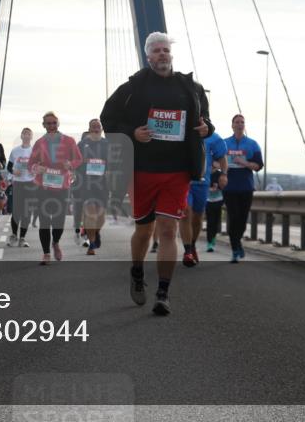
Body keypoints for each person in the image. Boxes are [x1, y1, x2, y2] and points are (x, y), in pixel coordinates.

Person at [100, 32, 212, 316]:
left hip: (177, 171)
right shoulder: (133, 88)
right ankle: (137, 272)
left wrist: (206, 129)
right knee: (143, 230)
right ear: (148, 56)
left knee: (168, 229)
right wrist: (132, 132)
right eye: (157, 51)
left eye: (166, 50)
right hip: (141, 170)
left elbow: (206, 122)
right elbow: (107, 119)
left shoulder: (191, 88)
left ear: (171, 55)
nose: (163, 54)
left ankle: (163, 292)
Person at [26, 111, 83, 265]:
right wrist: (37, 167)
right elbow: (30, 163)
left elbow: (79, 159)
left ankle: (55, 242)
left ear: (58, 124)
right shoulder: (39, 143)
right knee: (44, 220)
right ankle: (46, 253)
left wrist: (70, 164)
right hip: (43, 186)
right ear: (43, 125)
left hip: (62, 186)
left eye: (54, 123)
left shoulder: (69, 141)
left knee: (59, 220)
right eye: (48, 123)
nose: (51, 126)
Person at [222, 114, 264, 264]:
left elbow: (258, 166)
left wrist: (244, 163)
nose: (240, 124)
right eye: (237, 122)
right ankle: (235, 249)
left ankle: (237, 242)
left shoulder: (252, 144)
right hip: (229, 186)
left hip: (246, 187)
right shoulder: (225, 143)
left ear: (244, 126)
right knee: (233, 217)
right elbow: (215, 161)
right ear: (232, 125)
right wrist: (220, 168)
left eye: (242, 122)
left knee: (242, 219)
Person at [186, 130, 228, 260]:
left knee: (197, 218)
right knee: (186, 213)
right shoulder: (183, 131)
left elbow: (222, 157)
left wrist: (224, 174)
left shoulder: (213, 137)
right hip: (184, 182)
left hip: (202, 183)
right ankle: (187, 250)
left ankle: (192, 244)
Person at [78, 119, 110, 256]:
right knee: (91, 212)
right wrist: (82, 162)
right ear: (89, 128)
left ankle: (95, 232)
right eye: (93, 126)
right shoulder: (82, 144)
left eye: (98, 126)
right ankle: (91, 244)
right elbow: (75, 161)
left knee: (101, 217)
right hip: (87, 183)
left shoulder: (107, 144)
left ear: (101, 129)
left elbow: (114, 162)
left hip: (103, 184)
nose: (96, 128)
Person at [6, 128, 34, 247]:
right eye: (24, 134)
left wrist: (35, 170)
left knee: (27, 212)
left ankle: (22, 238)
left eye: (29, 134)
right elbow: (9, 167)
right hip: (18, 183)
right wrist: (13, 171)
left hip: (30, 183)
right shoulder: (15, 151)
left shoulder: (35, 151)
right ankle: (13, 235)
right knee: (16, 211)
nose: (26, 136)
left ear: (31, 137)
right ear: (21, 136)